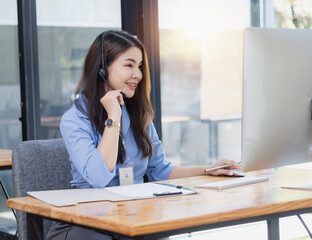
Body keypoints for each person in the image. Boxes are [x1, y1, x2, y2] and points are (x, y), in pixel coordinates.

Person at [46, 30, 241, 240]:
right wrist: (113, 118)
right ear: (102, 68)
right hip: (86, 222)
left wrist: (207, 170)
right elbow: (99, 176)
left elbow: (162, 170)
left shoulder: (140, 115)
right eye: (129, 65)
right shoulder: (75, 119)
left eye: (139, 67)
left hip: (131, 216)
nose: (138, 74)